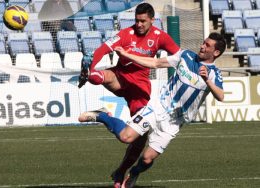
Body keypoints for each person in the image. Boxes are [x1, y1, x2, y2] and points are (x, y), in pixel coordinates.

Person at [79, 32, 226, 188]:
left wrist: (207, 81)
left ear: (216, 53)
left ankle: (134, 173)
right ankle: (102, 116)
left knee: (147, 159)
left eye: (207, 45)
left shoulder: (214, 74)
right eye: (203, 42)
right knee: (126, 137)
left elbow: (221, 96)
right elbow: (156, 63)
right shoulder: (186, 56)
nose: (202, 46)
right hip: (158, 107)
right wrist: (128, 55)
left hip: (174, 121)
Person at [78, 3, 180, 187]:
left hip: (139, 89)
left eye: (143, 21)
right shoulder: (126, 34)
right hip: (119, 78)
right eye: (136, 21)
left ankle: (121, 170)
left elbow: (179, 56)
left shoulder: (160, 37)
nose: (139, 24)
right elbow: (103, 49)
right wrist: (91, 62)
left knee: (138, 138)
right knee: (94, 76)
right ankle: (98, 105)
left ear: (151, 19)